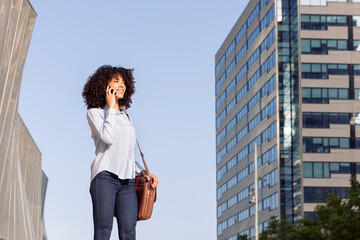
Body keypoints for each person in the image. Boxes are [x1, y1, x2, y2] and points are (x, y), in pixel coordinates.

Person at [82, 65, 159, 240]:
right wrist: (110, 108)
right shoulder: (95, 113)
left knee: (129, 233)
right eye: (116, 81)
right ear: (104, 86)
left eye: (124, 82)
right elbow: (107, 138)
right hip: (104, 177)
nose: (122, 85)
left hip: (127, 183)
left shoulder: (127, 117)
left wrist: (144, 173)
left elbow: (128, 153)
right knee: (103, 231)